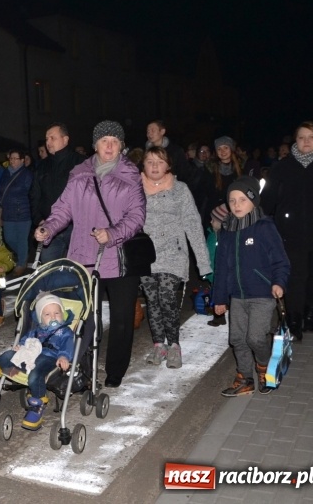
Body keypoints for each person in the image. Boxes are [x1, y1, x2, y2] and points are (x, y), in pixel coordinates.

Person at [35, 120, 145, 388]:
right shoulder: (79, 174)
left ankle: (115, 370)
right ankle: (82, 368)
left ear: (121, 146)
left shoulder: (130, 175)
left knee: (121, 320)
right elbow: (63, 209)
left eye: (115, 141)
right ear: (95, 145)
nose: (109, 146)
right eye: (104, 140)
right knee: (83, 318)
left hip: (118, 258)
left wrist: (113, 233)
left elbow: (137, 216)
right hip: (84, 257)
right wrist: (48, 228)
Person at [212, 177, 290, 396]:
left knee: (255, 338)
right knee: (237, 339)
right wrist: (219, 298)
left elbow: (280, 260)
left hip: (262, 294)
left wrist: (279, 282)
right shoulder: (227, 230)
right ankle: (245, 378)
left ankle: (264, 368)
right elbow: (221, 267)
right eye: (232, 200)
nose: (236, 205)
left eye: (242, 200)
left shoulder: (264, 227)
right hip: (237, 296)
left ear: (254, 202)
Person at [139, 147, 212, 369]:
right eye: (150, 161)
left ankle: (174, 345)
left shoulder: (180, 189)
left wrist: (203, 262)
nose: (154, 166)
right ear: (143, 165)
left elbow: (193, 224)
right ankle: (159, 344)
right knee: (152, 300)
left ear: (168, 165)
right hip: (145, 254)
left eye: (160, 162)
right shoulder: (135, 189)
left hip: (173, 252)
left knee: (166, 296)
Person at [0, 292, 74, 430]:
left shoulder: (65, 332)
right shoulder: (37, 330)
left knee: (35, 375)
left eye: (57, 313)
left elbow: (68, 346)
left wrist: (63, 357)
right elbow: (26, 339)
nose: (53, 317)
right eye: (47, 314)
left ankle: (37, 405)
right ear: (40, 318)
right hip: (30, 354)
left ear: (62, 314)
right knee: (8, 355)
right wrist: (21, 346)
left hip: (50, 358)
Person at [261, 121, 313, 339]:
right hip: (290, 232)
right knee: (295, 277)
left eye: (311, 137)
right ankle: (294, 319)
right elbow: (267, 199)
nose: (306, 141)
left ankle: (311, 313)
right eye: (301, 137)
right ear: (295, 140)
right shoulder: (282, 167)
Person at [30, 123, 86, 262]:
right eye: (46, 139)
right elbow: (34, 195)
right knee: (49, 268)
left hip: (76, 228)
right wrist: (39, 219)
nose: (48, 142)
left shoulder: (81, 163)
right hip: (49, 227)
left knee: (78, 268)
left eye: (52, 138)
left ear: (65, 139)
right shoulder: (42, 165)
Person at [0, 149, 33, 275]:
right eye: (11, 158)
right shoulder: (5, 173)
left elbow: (30, 192)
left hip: (23, 212)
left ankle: (21, 263)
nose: (13, 161)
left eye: (16, 158)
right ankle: (23, 255)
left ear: (22, 160)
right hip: (8, 212)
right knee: (9, 238)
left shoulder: (27, 174)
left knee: (21, 239)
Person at [145, 120, 193, 187]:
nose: (149, 134)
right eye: (148, 131)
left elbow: (184, 173)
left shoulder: (176, 151)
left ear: (162, 131)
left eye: (153, 130)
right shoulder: (145, 152)